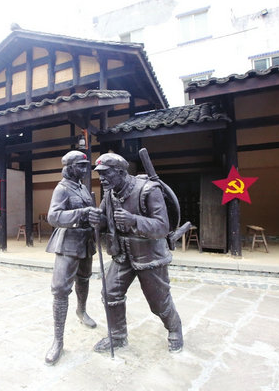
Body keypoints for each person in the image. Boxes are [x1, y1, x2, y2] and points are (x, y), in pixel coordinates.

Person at [88, 152, 183, 353]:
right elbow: (106, 220)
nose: (101, 178)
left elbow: (162, 227)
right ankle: (117, 336)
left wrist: (134, 220)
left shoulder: (148, 190)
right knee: (110, 293)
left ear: (121, 172)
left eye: (106, 173)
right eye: (99, 174)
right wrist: (98, 220)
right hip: (122, 254)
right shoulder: (110, 193)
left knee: (158, 301)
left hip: (150, 256)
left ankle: (175, 329)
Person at [44, 150, 97, 365]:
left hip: (86, 241)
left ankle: (81, 311)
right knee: (60, 290)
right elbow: (53, 216)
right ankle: (58, 340)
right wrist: (81, 213)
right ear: (69, 168)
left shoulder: (83, 188)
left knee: (84, 279)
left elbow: (90, 211)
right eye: (80, 166)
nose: (85, 169)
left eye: (86, 166)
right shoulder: (62, 189)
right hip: (68, 243)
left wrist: (95, 216)